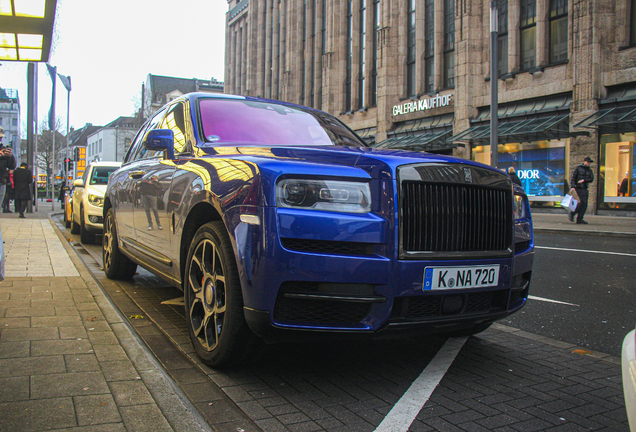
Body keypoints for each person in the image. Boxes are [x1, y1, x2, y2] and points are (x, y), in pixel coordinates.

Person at [568, 156, 594, 224]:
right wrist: (573, 186)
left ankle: (579, 218)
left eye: (589, 162)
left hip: (585, 187)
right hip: (578, 187)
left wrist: (584, 180)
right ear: (584, 161)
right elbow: (573, 177)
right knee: (583, 202)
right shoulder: (578, 168)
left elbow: (591, 179)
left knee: (585, 204)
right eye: (588, 162)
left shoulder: (589, 170)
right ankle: (573, 213)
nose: (588, 163)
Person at [0, 127, 17, 207]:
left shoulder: (3, 150)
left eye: (1, 137)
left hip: (1, 181)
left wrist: (10, 157)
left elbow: (11, 166)